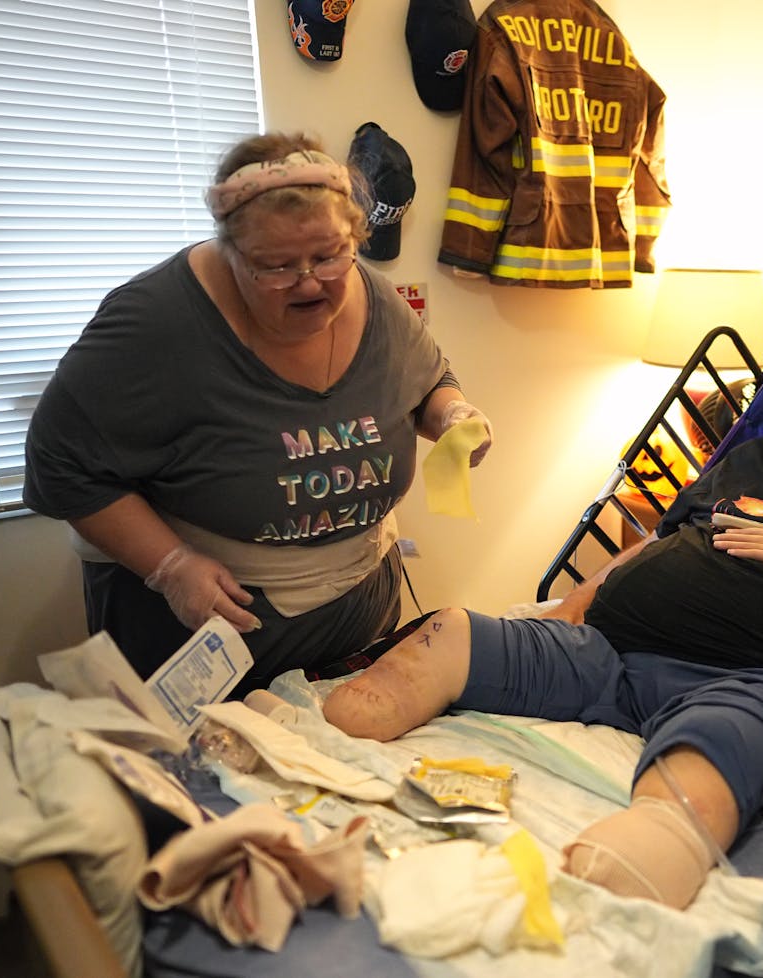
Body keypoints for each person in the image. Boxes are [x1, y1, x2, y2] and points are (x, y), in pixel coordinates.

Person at [322, 325, 763, 910]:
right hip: (615, 654)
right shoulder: (754, 458)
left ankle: (561, 931)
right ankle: (307, 773)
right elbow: (657, 542)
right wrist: (568, 610)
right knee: (447, 635)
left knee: (676, 798)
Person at [24, 132, 492, 695]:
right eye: (276, 265)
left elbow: (426, 383)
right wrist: (172, 567)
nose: (309, 281)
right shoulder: (153, 322)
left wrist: (452, 414)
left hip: (359, 612)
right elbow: (59, 465)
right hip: (211, 631)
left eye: (328, 256)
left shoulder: (370, 292)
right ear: (230, 251)